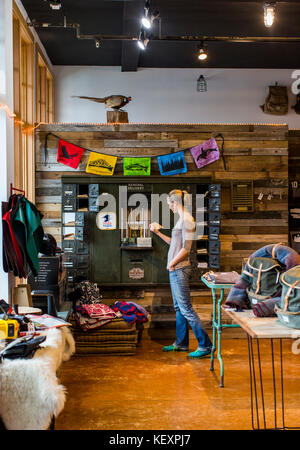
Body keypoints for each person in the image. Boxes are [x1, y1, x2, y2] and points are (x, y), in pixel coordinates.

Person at [149, 189, 212, 359]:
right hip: (175, 269)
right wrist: (157, 233)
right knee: (179, 308)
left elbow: (186, 248)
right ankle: (181, 343)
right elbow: (174, 243)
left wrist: (171, 263)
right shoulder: (181, 220)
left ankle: (205, 345)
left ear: (175, 202)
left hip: (180, 269)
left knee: (186, 309)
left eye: (170, 204)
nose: (169, 207)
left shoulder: (187, 220)